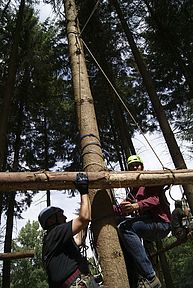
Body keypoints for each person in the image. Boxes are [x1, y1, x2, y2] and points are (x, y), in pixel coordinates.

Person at [117, 155, 171, 288]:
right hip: (150, 225)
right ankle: (137, 277)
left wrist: (137, 206)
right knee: (119, 221)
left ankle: (150, 276)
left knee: (125, 227)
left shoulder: (149, 180)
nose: (135, 167)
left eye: (137, 165)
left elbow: (155, 199)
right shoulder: (133, 191)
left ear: (142, 166)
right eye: (132, 166)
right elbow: (122, 208)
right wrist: (105, 209)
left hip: (161, 223)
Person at [38, 172, 97, 288]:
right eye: (60, 215)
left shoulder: (56, 240)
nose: (65, 217)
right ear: (50, 221)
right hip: (75, 283)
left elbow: (79, 240)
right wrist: (83, 191)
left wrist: (85, 220)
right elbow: (84, 218)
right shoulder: (55, 232)